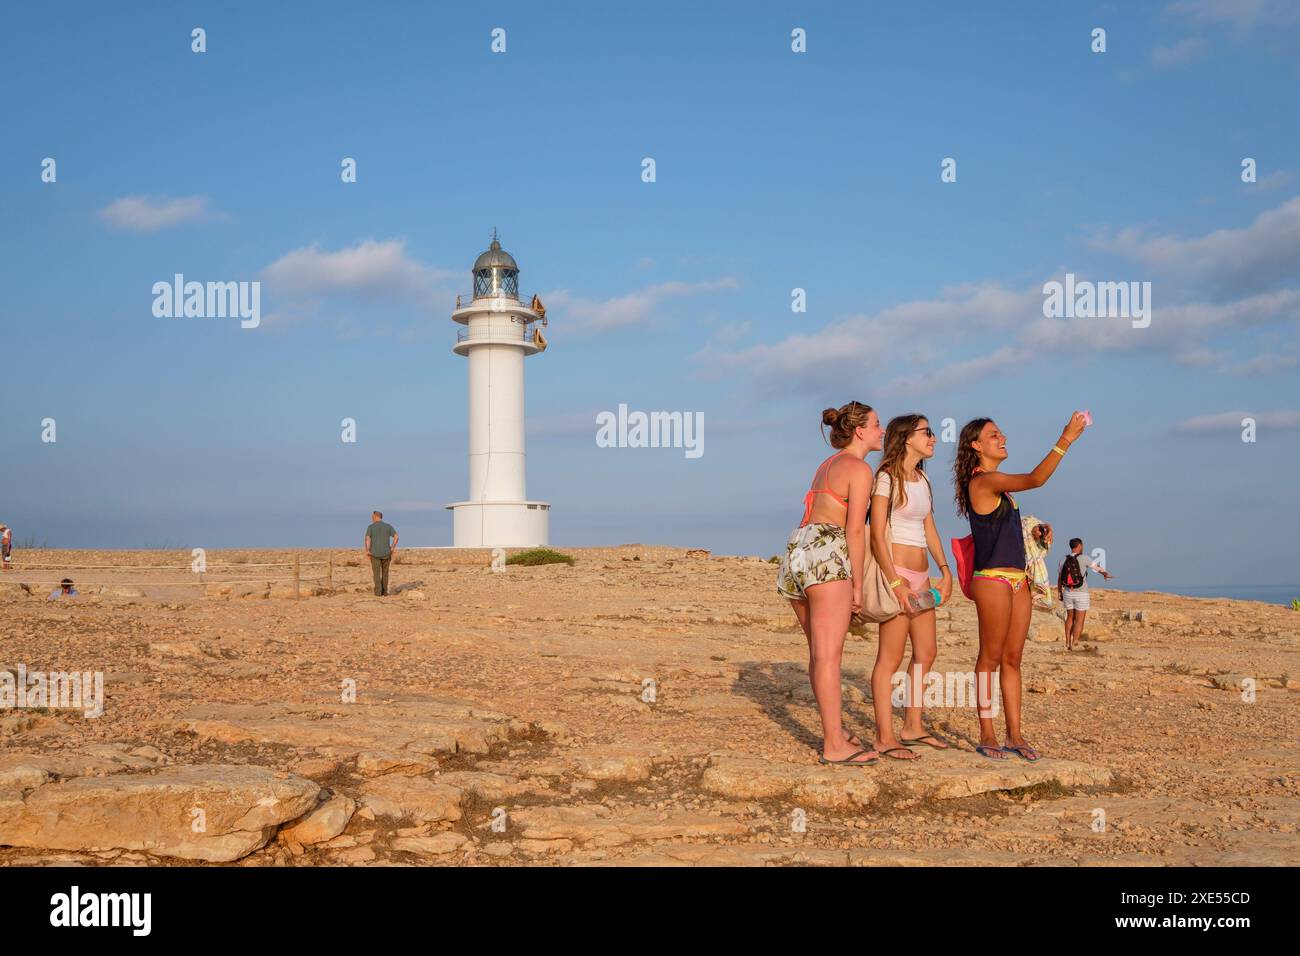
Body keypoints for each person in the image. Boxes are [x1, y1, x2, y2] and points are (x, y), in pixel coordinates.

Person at [953, 413, 1087, 761]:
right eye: (993, 435)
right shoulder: (982, 481)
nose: (1003, 438)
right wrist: (1066, 438)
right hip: (992, 580)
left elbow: (1004, 529)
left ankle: (1014, 734)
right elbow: (1036, 479)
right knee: (990, 658)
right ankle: (987, 732)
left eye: (1001, 433)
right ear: (976, 445)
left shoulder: (1002, 490)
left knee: (1013, 659)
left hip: (1018, 581)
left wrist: (1035, 530)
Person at [775, 401, 883, 765]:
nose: (881, 431)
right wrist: (856, 583)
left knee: (818, 653)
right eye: (877, 424)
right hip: (827, 550)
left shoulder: (827, 465)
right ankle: (834, 744)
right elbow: (855, 529)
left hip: (798, 550)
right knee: (829, 656)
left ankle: (834, 731)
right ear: (860, 431)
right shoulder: (859, 468)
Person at [868, 414, 953, 760]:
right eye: (926, 432)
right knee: (890, 657)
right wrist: (895, 582)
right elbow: (876, 534)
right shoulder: (886, 479)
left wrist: (945, 571)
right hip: (897, 576)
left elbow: (930, 529)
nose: (933, 438)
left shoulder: (923, 480)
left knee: (926, 652)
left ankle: (913, 725)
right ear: (906, 438)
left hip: (923, 578)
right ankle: (884, 736)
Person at [1057, 537, 1113, 650]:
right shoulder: (1084, 558)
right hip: (1081, 593)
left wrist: (1059, 591)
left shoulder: (1063, 559)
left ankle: (1067, 643)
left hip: (1068, 591)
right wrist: (1105, 574)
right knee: (1079, 620)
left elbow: (1059, 577)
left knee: (1070, 617)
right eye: (1082, 545)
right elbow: (1096, 567)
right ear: (1079, 546)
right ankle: (1075, 643)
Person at [364, 511, 398, 596]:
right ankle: (384, 592)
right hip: (386, 553)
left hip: (374, 554)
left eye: (372, 516)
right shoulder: (388, 526)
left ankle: (378, 593)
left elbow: (368, 539)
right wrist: (392, 547)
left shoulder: (371, 527)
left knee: (376, 574)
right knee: (385, 573)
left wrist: (367, 550)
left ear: (375, 516)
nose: (371, 518)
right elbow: (396, 536)